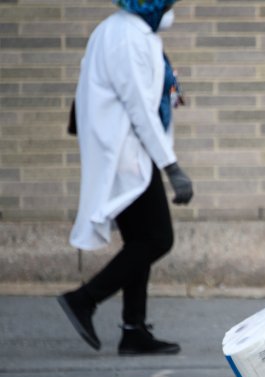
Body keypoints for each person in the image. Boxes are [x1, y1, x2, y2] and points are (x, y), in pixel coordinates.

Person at [59, 0, 193, 356]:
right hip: (126, 154)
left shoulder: (127, 31)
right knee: (157, 239)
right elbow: (139, 108)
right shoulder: (125, 36)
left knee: (140, 240)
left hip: (129, 152)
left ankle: (134, 330)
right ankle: (83, 299)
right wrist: (172, 167)